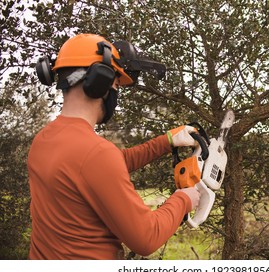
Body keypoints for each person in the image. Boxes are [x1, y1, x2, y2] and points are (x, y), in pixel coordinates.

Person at [28, 33, 201, 259]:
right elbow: (146, 238)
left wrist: (167, 140)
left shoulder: (43, 140)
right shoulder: (95, 154)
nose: (116, 92)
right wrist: (184, 199)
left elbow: (102, 166)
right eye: (117, 83)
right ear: (101, 81)